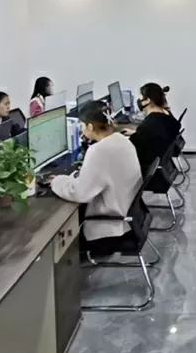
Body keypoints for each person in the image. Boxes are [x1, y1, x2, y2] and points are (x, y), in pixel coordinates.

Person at [50, 101, 142, 258]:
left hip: (108, 230)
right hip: (127, 220)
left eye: (82, 126)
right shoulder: (122, 140)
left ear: (90, 127)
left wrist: (56, 182)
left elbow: (80, 194)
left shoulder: (99, 150)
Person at [123, 83, 181, 172]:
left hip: (144, 166)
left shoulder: (148, 125)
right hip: (158, 160)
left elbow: (131, 147)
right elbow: (155, 134)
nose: (139, 99)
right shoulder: (167, 115)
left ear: (147, 100)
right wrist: (136, 133)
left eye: (140, 96)